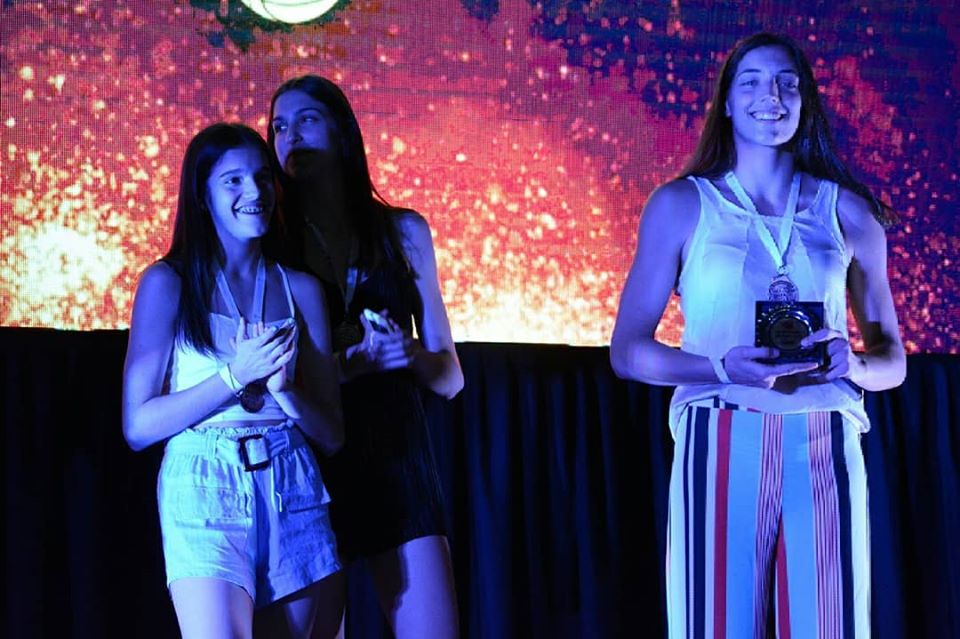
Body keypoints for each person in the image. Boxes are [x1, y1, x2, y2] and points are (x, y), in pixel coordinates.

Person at [610, 33, 906, 638]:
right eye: (751, 82)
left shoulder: (849, 212)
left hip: (824, 434)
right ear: (725, 101)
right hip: (721, 427)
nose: (769, 96)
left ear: (804, 101)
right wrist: (721, 367)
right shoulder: (682, 204)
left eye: (786, 84)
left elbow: (892, 361)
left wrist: (850, 364)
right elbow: (628, 351)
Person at [122, 122, 347, 638]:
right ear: (203, 195)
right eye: (233, 181)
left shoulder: (301, 288)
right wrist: (233, 375)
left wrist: (286, 392)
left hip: (290, 478)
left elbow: (333, 435)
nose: (255, 192)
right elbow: (138, 425)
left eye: (263, 177)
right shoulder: (168, 282)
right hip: (206, 480)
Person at [268, 76, 465, 637]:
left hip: (396, 454)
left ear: (342, 131)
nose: (290, 136)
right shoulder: (273, 242)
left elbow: (450, 377)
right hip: (309, 458)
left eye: (306, 120)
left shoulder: (402, 231)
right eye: (279, 127)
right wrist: (344, 367)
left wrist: (408, 353)